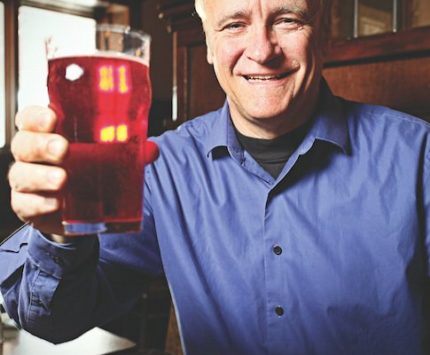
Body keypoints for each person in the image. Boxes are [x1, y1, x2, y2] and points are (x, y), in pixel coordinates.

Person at [1, 0, 429, 354]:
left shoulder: (418, 156)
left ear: (321, 31)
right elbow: (52, 321)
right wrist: (60, 237)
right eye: (234, 24)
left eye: (286, 20)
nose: (262, 50)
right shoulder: (159, 167)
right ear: (207, 43)